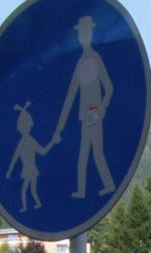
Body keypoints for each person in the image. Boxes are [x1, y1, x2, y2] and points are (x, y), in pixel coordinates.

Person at [50, 14, 116, 200]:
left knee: (94, 151)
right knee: (86, 153)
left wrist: (102, 108)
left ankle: (103, 185)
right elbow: (70, 97)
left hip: (92, 113)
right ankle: (85, 189)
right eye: (81, 34)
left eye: (85, 33)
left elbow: (109, 88)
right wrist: (59, 128)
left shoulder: (93, 59)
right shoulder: (82, 62)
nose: (82, 37)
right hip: (86, 114)